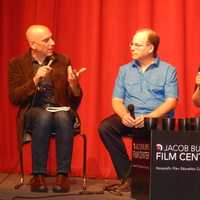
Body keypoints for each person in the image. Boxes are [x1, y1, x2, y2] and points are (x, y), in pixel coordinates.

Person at [98, 28, 178, 192]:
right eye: (131, 44)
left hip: (156, 118)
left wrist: (149, 117)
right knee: (105, 127)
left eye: (137, 45)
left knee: (143, 130)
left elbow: (171, 102)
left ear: (150, 48)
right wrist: (124, 115)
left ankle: (147, 179)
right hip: (131, 116)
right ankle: (128, 176)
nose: (132, 48)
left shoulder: (168, 70)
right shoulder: (125, 70)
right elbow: (117, 100)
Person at [8, 25, 86, 193]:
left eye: (52, 38)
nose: (52, 42)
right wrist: (35, 80)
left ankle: (62, 175)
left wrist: (74, 85)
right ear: (33, 45)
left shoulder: (63, 60)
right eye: (46, 40)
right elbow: (14, 98)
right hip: (33, 112)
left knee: (63, 116)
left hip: (60, 109)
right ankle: (38, 175)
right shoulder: (17, 64)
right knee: (43, 116)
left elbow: (75, 99)